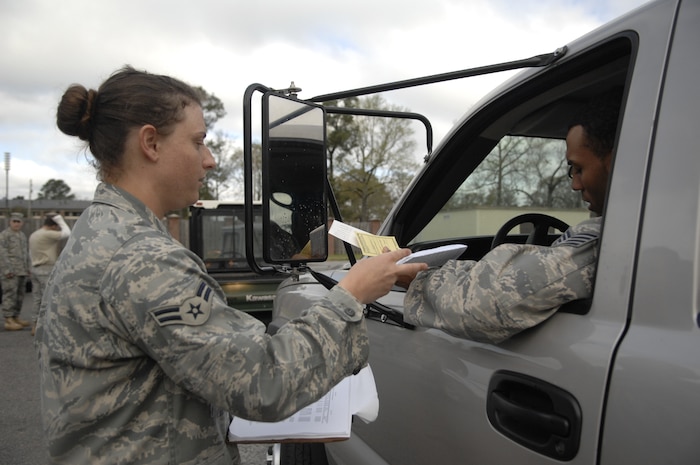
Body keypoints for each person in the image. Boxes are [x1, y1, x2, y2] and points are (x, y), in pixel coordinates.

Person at [35, 66, 426, 465]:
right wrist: (351, 294)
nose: (209, 160)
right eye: (198, 142)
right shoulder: (140, 257)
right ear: (150, 143)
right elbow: (264, 382)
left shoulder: (102, 230)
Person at [403, 89, 621, 344]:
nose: (575, 184)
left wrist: (419, 279)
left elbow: (488, 302)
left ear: (615, 161)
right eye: (571, 171)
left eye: (580, 168)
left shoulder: (604, 243)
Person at [28, 212, 71, 335]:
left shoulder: (34, 234)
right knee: (49, 297)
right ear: (53, 226)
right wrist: (60, 219)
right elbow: (67, 233)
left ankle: (35, 325)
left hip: (35, 268)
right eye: (56, 226)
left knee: (37, 298)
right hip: (46, 268)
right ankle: (48, 325)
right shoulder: (47, 234)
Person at [1, 212, 31, 331]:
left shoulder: (22, 235)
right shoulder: (4, 235)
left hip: (21, 270)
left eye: (19, 222)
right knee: (10, 295)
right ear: (10, 222)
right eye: (14, 221)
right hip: (11, 271)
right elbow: (1, 254)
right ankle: (8, 319)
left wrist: (28, 268)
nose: (16, 224)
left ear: (22, 223)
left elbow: (25, 254)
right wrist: (6, 269)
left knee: (20, 295)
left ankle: (16, 316)